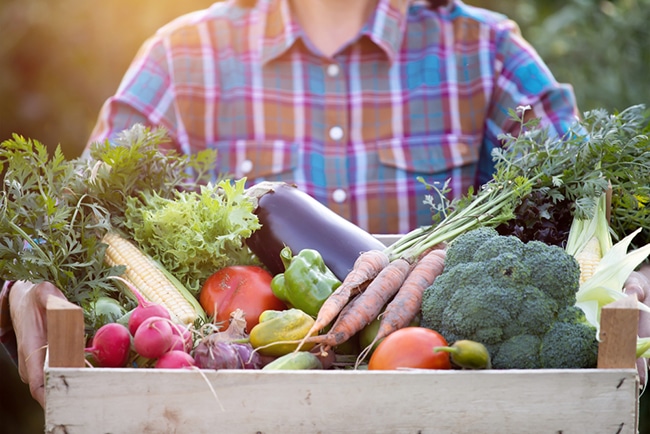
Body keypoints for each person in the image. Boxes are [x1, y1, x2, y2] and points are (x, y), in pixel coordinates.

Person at [2, 0, 649, 408]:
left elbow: (605, 201)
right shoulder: (181, 60)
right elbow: (70, 217)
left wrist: (638, 281)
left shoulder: (489, 54)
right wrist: (19, 285)